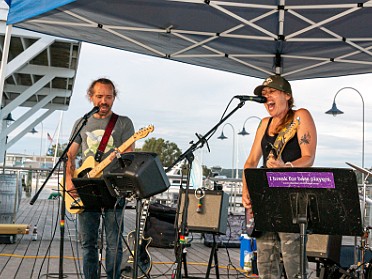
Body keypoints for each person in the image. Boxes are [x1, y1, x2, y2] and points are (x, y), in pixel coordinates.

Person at [242, 75, 317, 278]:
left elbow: (308, 157)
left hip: (293, 200)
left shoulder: (300, 116)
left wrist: (287, 167)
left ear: (287, 95)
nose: (267, 98)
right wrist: (246, 190)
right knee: (266, 264)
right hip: (266, 202)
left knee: (294, 263)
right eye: (264, 95)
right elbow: (250, 162)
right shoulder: (264, 123)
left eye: (271, 92)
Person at [65, 78, 135, 279]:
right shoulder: (82, 123)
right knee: (88, 243)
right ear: (90, 97)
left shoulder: (123, 123)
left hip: (114, 188)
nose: (104, 101)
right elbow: (70, 155)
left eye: (108, 97)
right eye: (99, 96)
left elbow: (129, 157)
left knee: (114, 243)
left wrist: (119, 157)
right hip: (87, 186)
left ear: (114, 97)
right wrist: (70, 180)